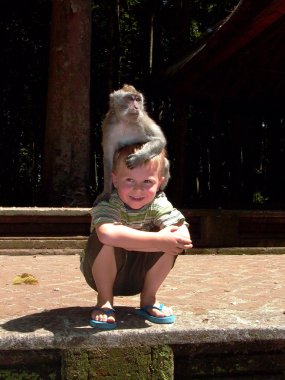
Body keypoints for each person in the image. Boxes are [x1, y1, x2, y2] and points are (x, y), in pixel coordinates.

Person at [80, 143, 192, 329]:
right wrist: (158, 241)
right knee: (104, 237)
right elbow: (108, 234)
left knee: (173, 239)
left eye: (147, 182)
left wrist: (165, 239)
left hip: (140, 277)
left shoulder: (159, 203)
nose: (138, 189)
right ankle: (105, 300)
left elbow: (183, 234)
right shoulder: (107, 202)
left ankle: (148, 299)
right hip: (100, 275)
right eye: (130, 180)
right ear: (115, 180)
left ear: (159, 183)